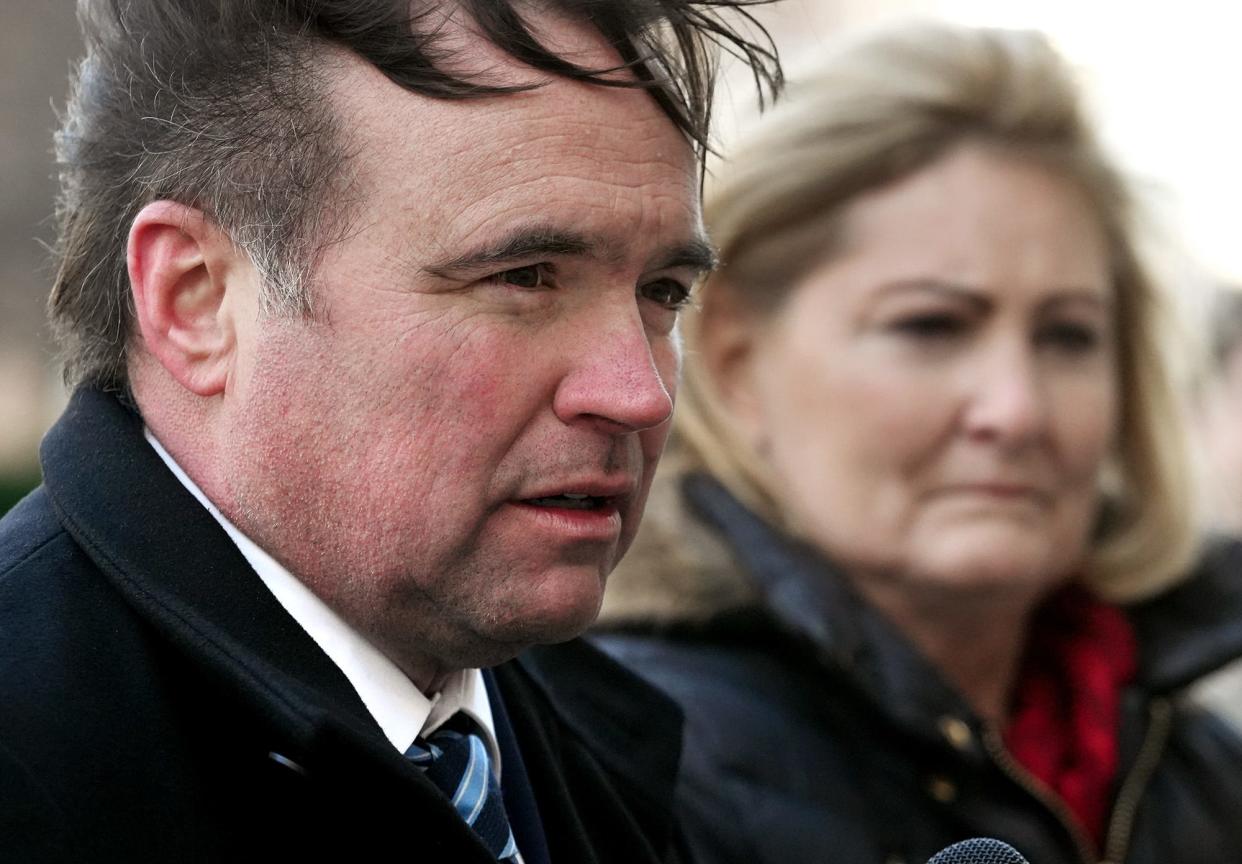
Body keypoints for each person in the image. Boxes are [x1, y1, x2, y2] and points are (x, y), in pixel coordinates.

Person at [0, 2, 779, 861]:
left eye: (662, 291)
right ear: (196, 301)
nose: (638, 393)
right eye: (523, 278)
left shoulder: (592, 740)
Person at [594, 21, 1242, 864]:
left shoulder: (1204, 771)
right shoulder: (619, 769)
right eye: (930, 325)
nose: (1015, 410)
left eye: (1069, 337)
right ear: (737, 367)